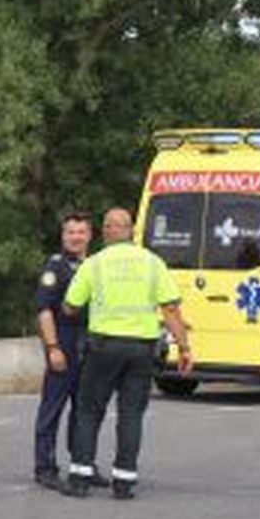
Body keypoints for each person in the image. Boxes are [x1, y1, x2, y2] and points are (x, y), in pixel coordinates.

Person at [61, 207, 193, 499]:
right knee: (131, 414)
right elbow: (170, 309)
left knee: (88, 410)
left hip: (104, 346)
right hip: (141, 349)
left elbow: (70, 305)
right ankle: (124, 481)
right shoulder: (152, 263)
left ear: (107, 231)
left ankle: (80, 477)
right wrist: (184, 347)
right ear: (132, 231)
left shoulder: (94, 264)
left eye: (107, 227)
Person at [31, 211, 94, 491]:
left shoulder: (95, 265)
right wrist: (53, 347)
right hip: (64, 341)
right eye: (71, 232)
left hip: (89, 344)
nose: (75, 237)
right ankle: (45, 467)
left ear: (89, 236)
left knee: (84, 410)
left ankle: (82, 465)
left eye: (81, 232)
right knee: (53, 408)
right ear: (63, 235)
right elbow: (44, 311)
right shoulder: (55, 268)